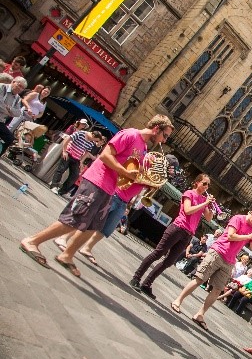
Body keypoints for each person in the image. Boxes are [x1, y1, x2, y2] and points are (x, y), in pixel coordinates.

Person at [20, 115, 173, 276]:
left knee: (93, 226)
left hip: (109, 188)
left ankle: (67, 255)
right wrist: (125, 172)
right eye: (165, 135)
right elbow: (106, 155)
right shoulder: (130, 134)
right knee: (74, 219)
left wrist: (146, 178)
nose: (164, 140)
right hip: (97, 181)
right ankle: (32, 241)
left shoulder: (143, 147)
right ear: (156, 129)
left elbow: (130, 170)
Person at [171, 209, 252, 331]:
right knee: (199, 279)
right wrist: (248, 236)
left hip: (230, 260)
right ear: (251, 213)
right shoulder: (238, 218)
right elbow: (231, 236)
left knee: (217, 290)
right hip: (218, 252)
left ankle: (200, 314)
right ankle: (178, 300)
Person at [130, 174, 215, 299]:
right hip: (178, 228)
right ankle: (136, 278)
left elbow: (209, 218)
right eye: (204, 183)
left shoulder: (204, 200)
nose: (206, 187)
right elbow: (187, 210)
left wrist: (210, 206)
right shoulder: (189, 193)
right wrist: (204, 204)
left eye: (208, 185)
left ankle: (147, 283)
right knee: (157, 253)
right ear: (197, 182)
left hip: (188, 234)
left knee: (169, 262)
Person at [50, 129, 105, 196]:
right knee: (61, 169)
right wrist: (64, 151)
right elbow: (68, 139)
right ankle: (54, 186)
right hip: (69, 153)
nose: (95, 141)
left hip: (77, 158)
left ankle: (62, 191)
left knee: (75, 175)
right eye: (95, 140)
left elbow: (87, 152)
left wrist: (81, 161)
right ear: (93, 135)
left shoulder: (91, 143)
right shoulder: (81, 133)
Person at [0, 76, 28, 158]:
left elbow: (18, 113)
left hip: (1, 121)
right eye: (19, 85)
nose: (20, 89)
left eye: (22, 88)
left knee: (10, 139)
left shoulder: (18, 98)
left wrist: (9, 109)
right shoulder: (2, 87)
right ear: (13, 82)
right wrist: (9, 111)